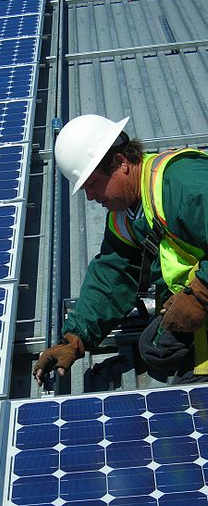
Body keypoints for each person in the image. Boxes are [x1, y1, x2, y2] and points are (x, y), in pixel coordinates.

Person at [33, 114, 208, 386]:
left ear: (120, 163)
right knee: (156, 349)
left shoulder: (182, 184)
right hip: (196, 302)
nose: (91, 196)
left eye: (92, 184)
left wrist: (200, 294)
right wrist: (75, 338)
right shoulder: (124, 217)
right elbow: (112, 277)